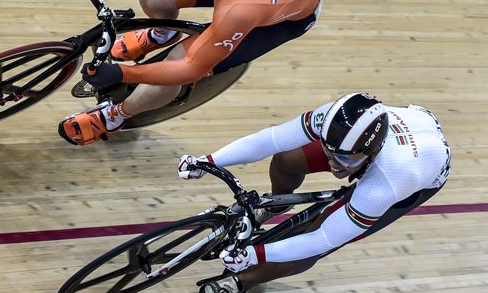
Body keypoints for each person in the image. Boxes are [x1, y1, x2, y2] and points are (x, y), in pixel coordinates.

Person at [45, 0, 323, 145]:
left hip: (281, 12)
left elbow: (191, 67)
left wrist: (122, 73)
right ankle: (163, 33)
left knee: (177, 61)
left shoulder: (241, 9)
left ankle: (117, 115)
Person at [177, 93, 452, 293]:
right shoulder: (333, 119)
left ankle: (239, 283)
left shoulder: (393, 179)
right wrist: (210, 160)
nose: (334, 164)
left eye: (344, 160)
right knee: (287, 159)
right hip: (407, 124)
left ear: (373, 150)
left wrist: (254, 256)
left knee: (317, 229)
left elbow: (322, 238)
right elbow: (271, 139)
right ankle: (274, 206)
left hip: (419, 171)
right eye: (328, 151)